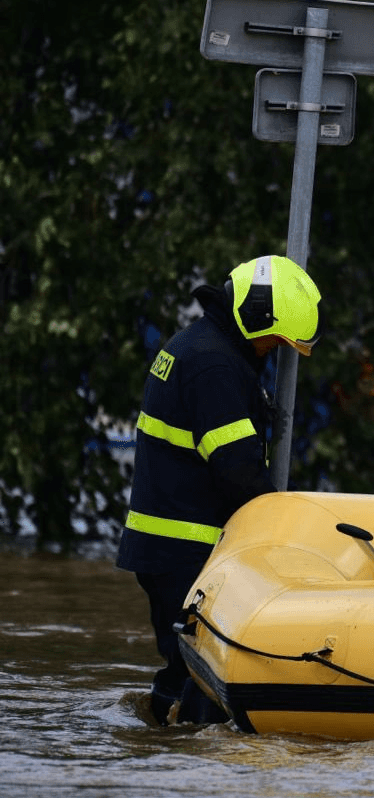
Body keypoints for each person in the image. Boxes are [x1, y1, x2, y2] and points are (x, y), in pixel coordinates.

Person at [116, 255, 322, 724]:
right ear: (255, 320)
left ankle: (159, 736)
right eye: (276, 339)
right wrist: (284, 533)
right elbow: (236, 471)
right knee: (203, 677)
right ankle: (183, 757)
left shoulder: (200, 346)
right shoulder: (215, 366)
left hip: (169, 547)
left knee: (183, 669)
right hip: (184, 549)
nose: (275, 351)